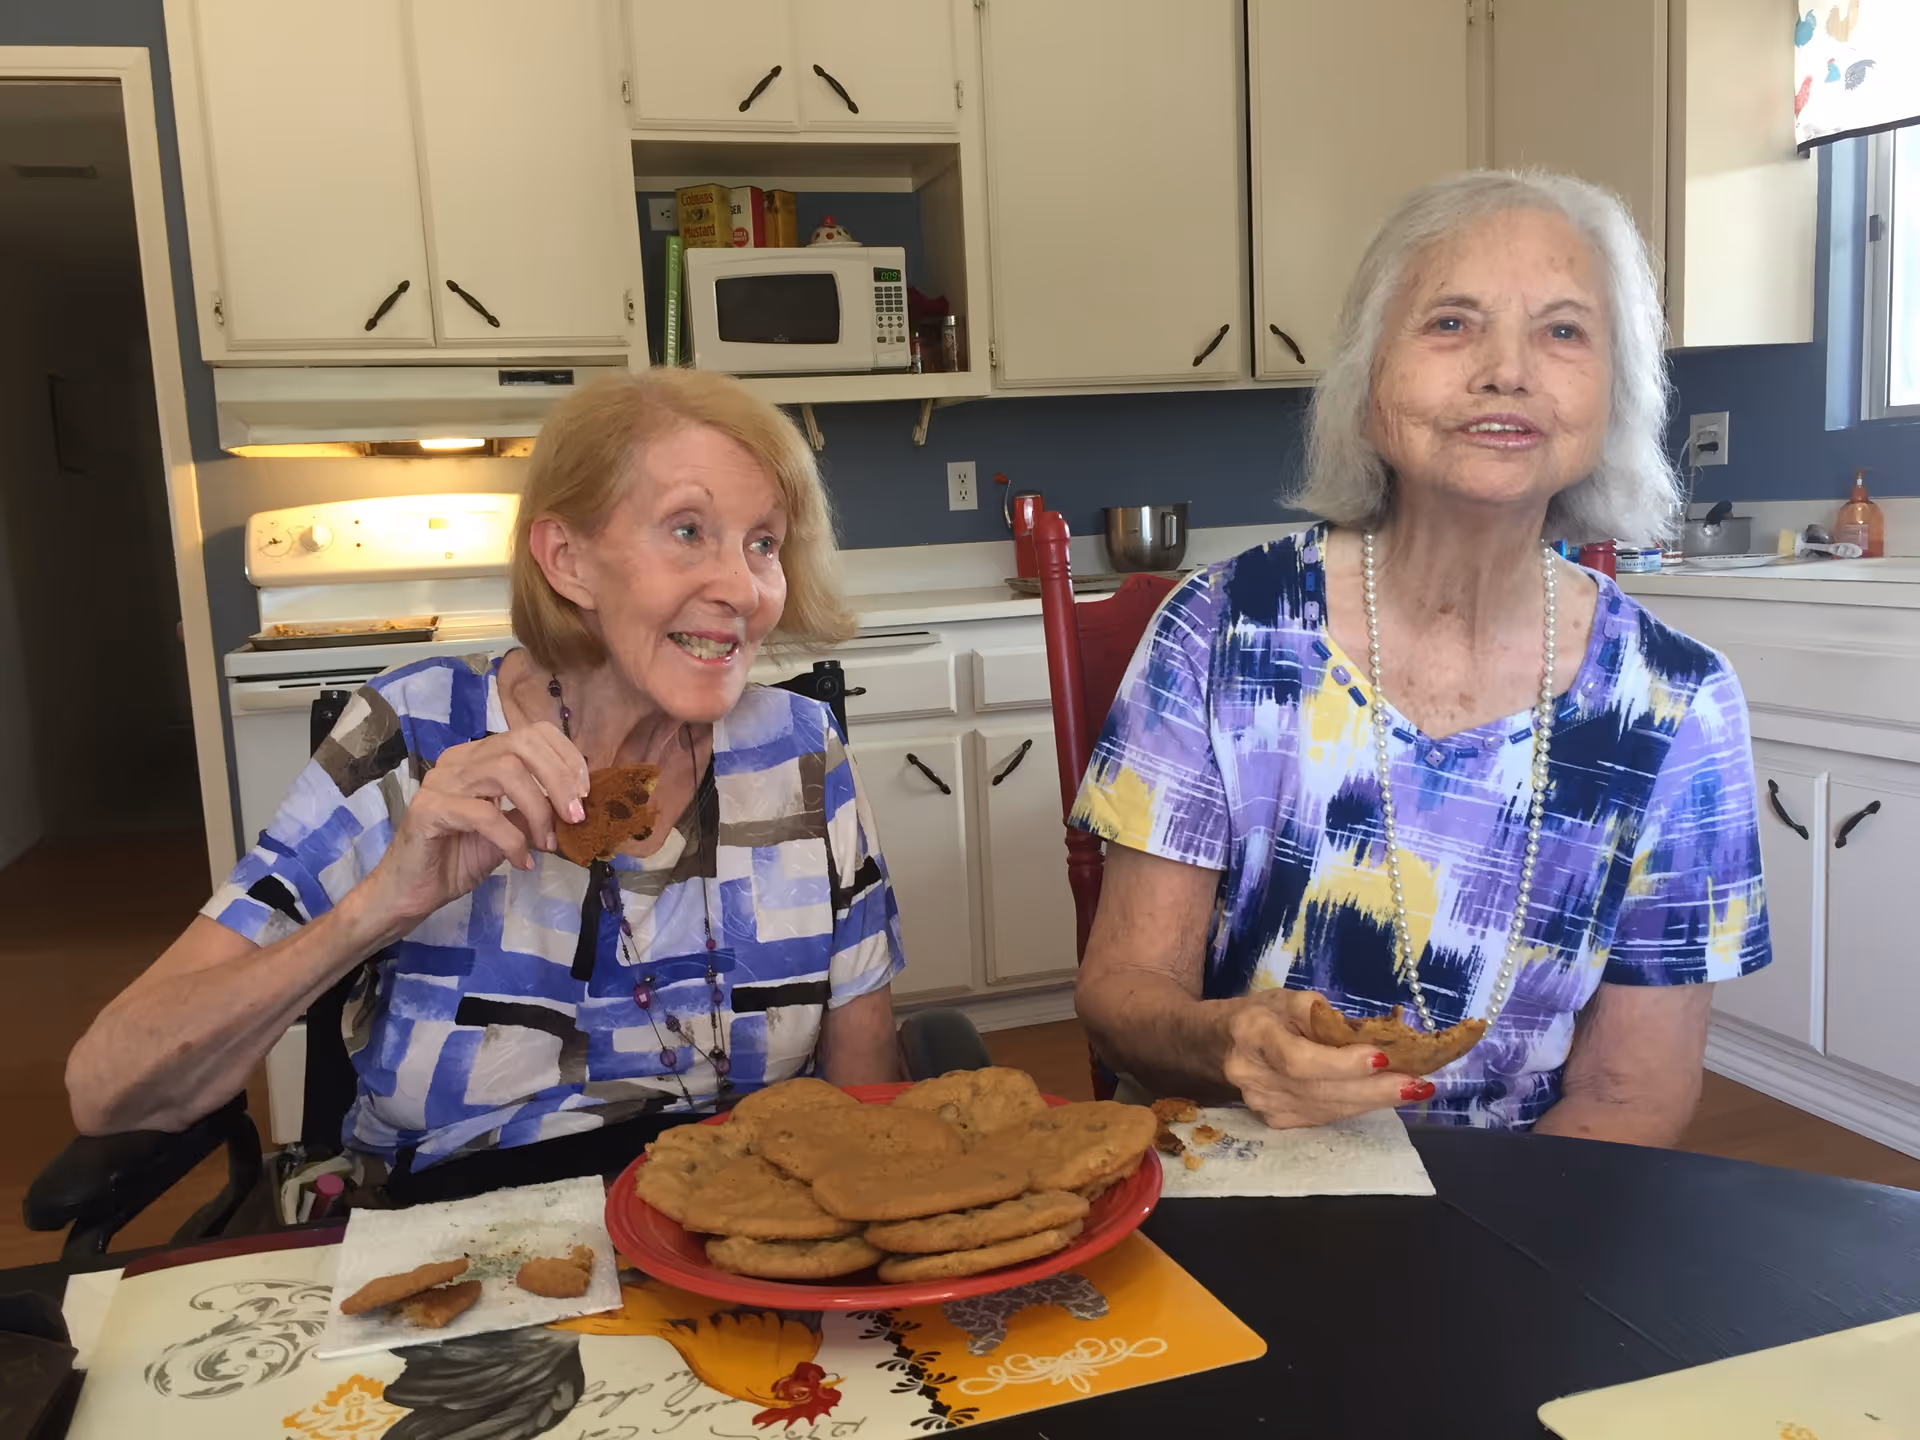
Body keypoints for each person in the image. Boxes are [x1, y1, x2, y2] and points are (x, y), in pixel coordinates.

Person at [67, 370, 906, 1200]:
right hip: (462, 1247)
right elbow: (108, 1089)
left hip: (735, 1234)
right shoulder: (412, 733)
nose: (742, 588)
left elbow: (863, 1094)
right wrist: (381, 903)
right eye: (688, 530)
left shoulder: (799, 753)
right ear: (568, 559)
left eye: (764, 542)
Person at [1072, 171, 1769, 1144]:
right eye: (1451, 322)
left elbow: (1630, 1094)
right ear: (1366, 386)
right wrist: (1230, 1041)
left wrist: (1499, 1271)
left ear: (1613, 396)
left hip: (1530, 1205)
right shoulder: (1223, 631)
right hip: (1239, 1170)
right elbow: (1121, 996)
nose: (1507, 369)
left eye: (1564, 330)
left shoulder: (1678, 705)